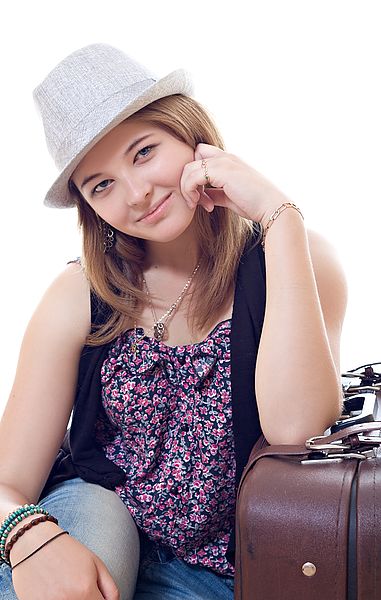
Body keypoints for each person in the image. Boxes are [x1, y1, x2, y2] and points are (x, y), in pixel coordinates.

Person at [0, 43, 347, 600]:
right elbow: (7, 482)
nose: (137, 195)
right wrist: (29, 536)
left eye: (143, 153)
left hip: (226, 569)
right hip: (95, 527)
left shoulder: (296, 259)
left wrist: (279, 216)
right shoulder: (78, 295)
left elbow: (296, 429)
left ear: (191, 133)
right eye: (101, 185)